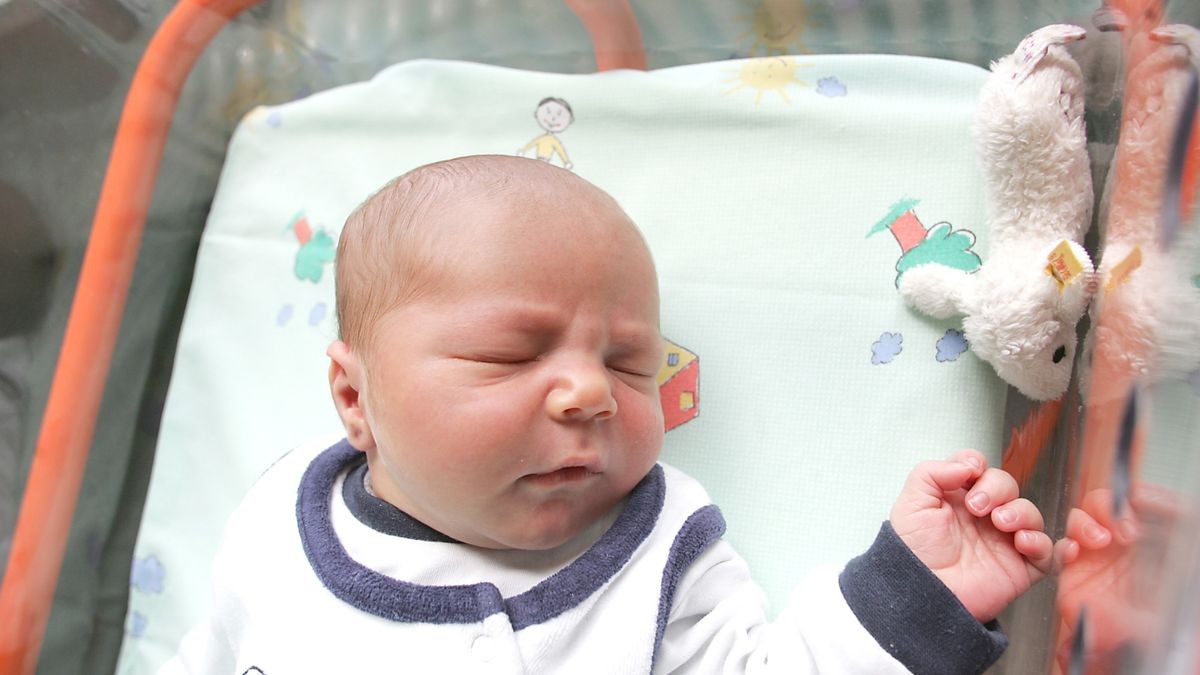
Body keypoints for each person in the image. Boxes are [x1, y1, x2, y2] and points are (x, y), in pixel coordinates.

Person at [165, 155, 1078, 674]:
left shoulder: (656, 553)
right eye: (513, 354)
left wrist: (912, 594)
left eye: (629, 362)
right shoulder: (282, 520)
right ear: (356, 399)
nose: (589, 392)